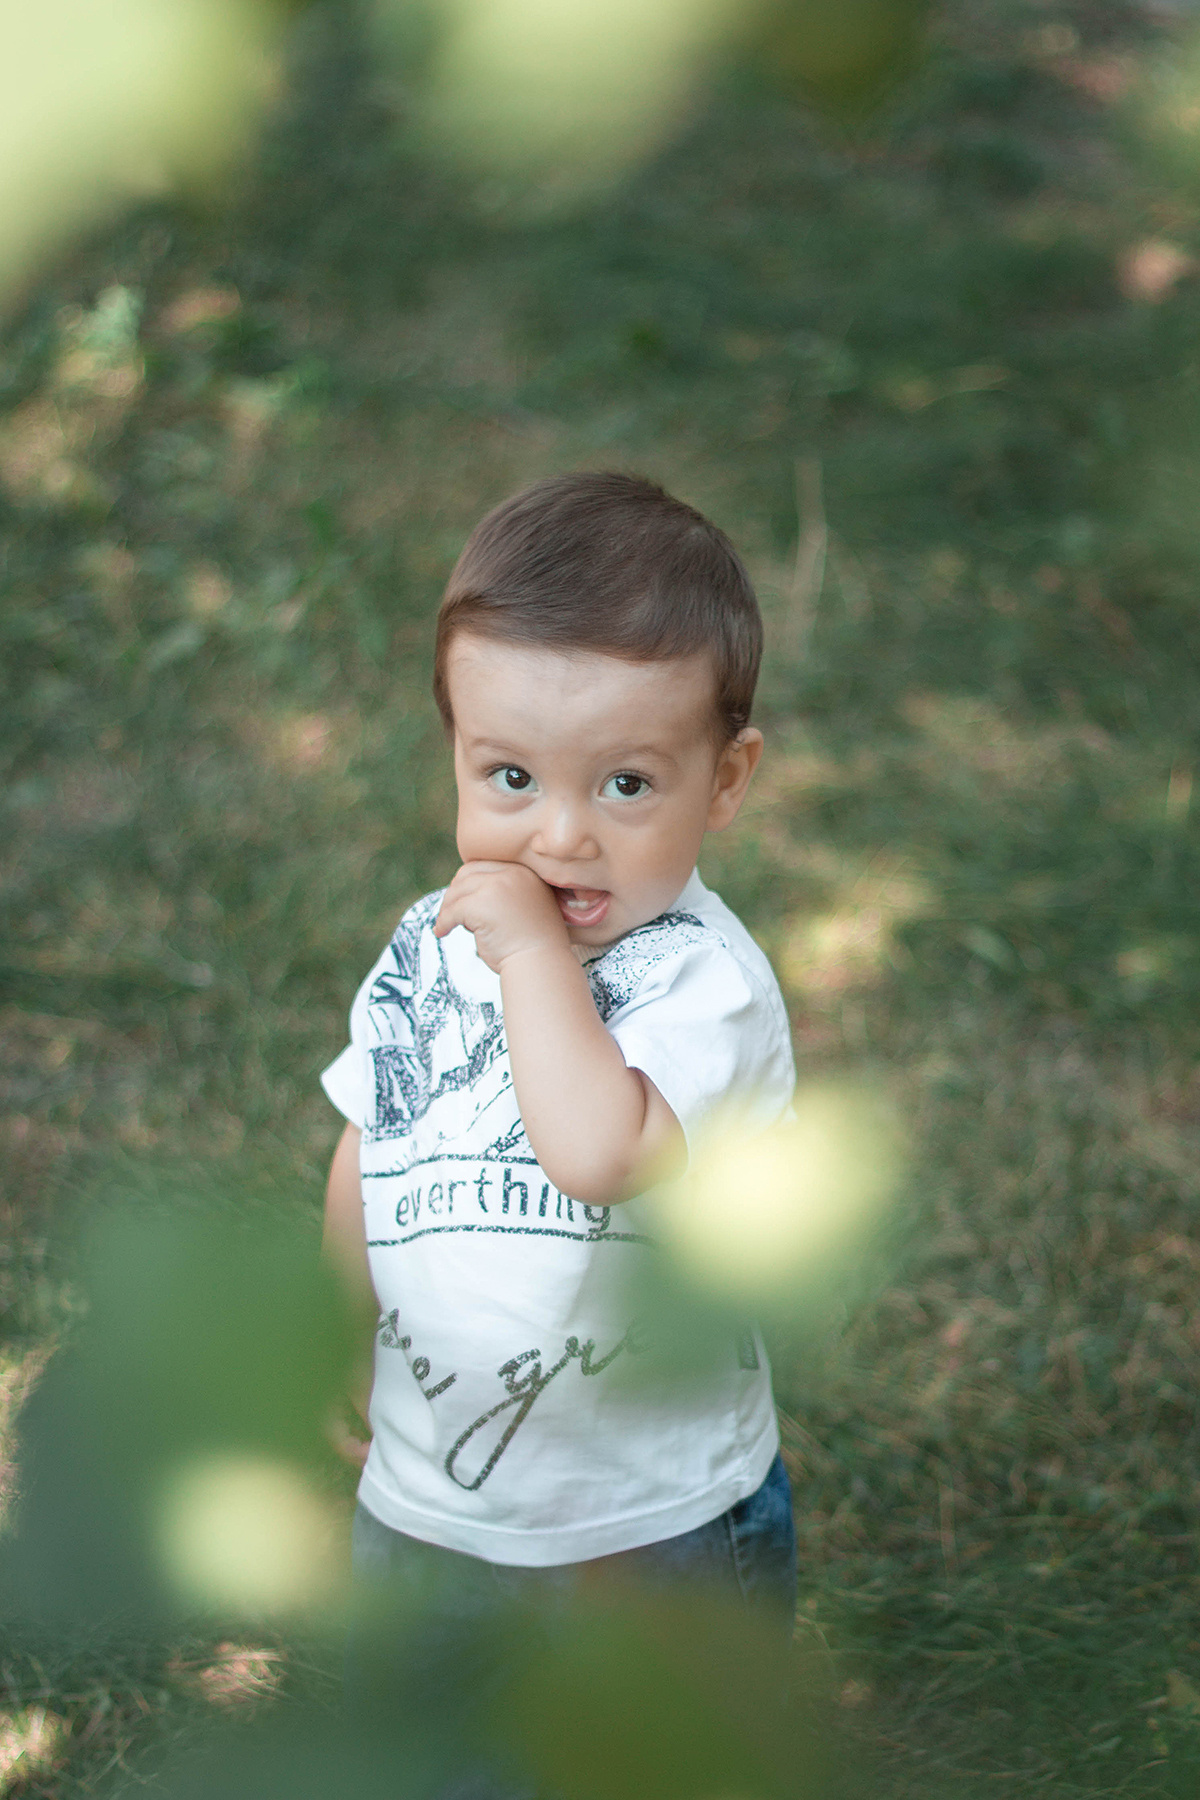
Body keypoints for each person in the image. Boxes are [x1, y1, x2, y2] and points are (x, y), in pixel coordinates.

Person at [319, 472, 799, 1763]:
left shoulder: (708, 988)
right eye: (512, 776)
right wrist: (345, 1323)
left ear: (726, 780)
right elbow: (374, 1137)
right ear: (457, 757)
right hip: (429, 1511)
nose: (563, 837)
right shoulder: (434, 939)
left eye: (628, 786)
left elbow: (601, 1153)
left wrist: (533, 964)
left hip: (648, 1527)